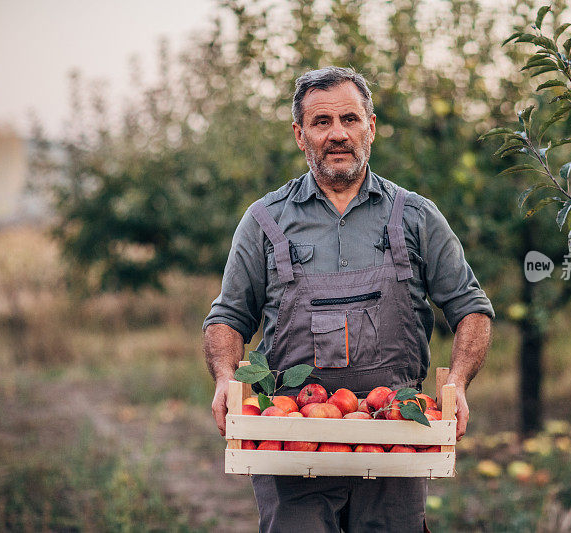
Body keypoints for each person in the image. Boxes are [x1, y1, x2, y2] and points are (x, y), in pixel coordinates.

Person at [203, 66, 494, 532]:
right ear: (300, 135)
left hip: (395, 429)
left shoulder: (415, 217)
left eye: (350, 119)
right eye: (321, 122)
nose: (337, 133)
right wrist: (224, 378)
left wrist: (456, 381)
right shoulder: (264, 221)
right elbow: (228, 316)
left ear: (371, 127)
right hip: (292, 438)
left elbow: (470, 308)